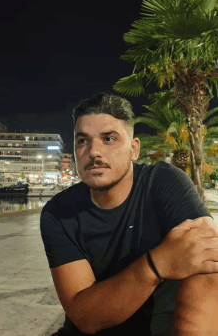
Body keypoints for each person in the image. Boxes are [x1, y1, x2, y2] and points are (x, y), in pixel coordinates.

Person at [40, 92, 218, 336]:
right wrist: (156, 265)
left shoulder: (163, 182)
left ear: (134, 149)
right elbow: (85, 317)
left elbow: (208, 261)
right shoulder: (58, 212)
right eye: (83, 141)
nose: (94, 152)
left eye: (109, 139)